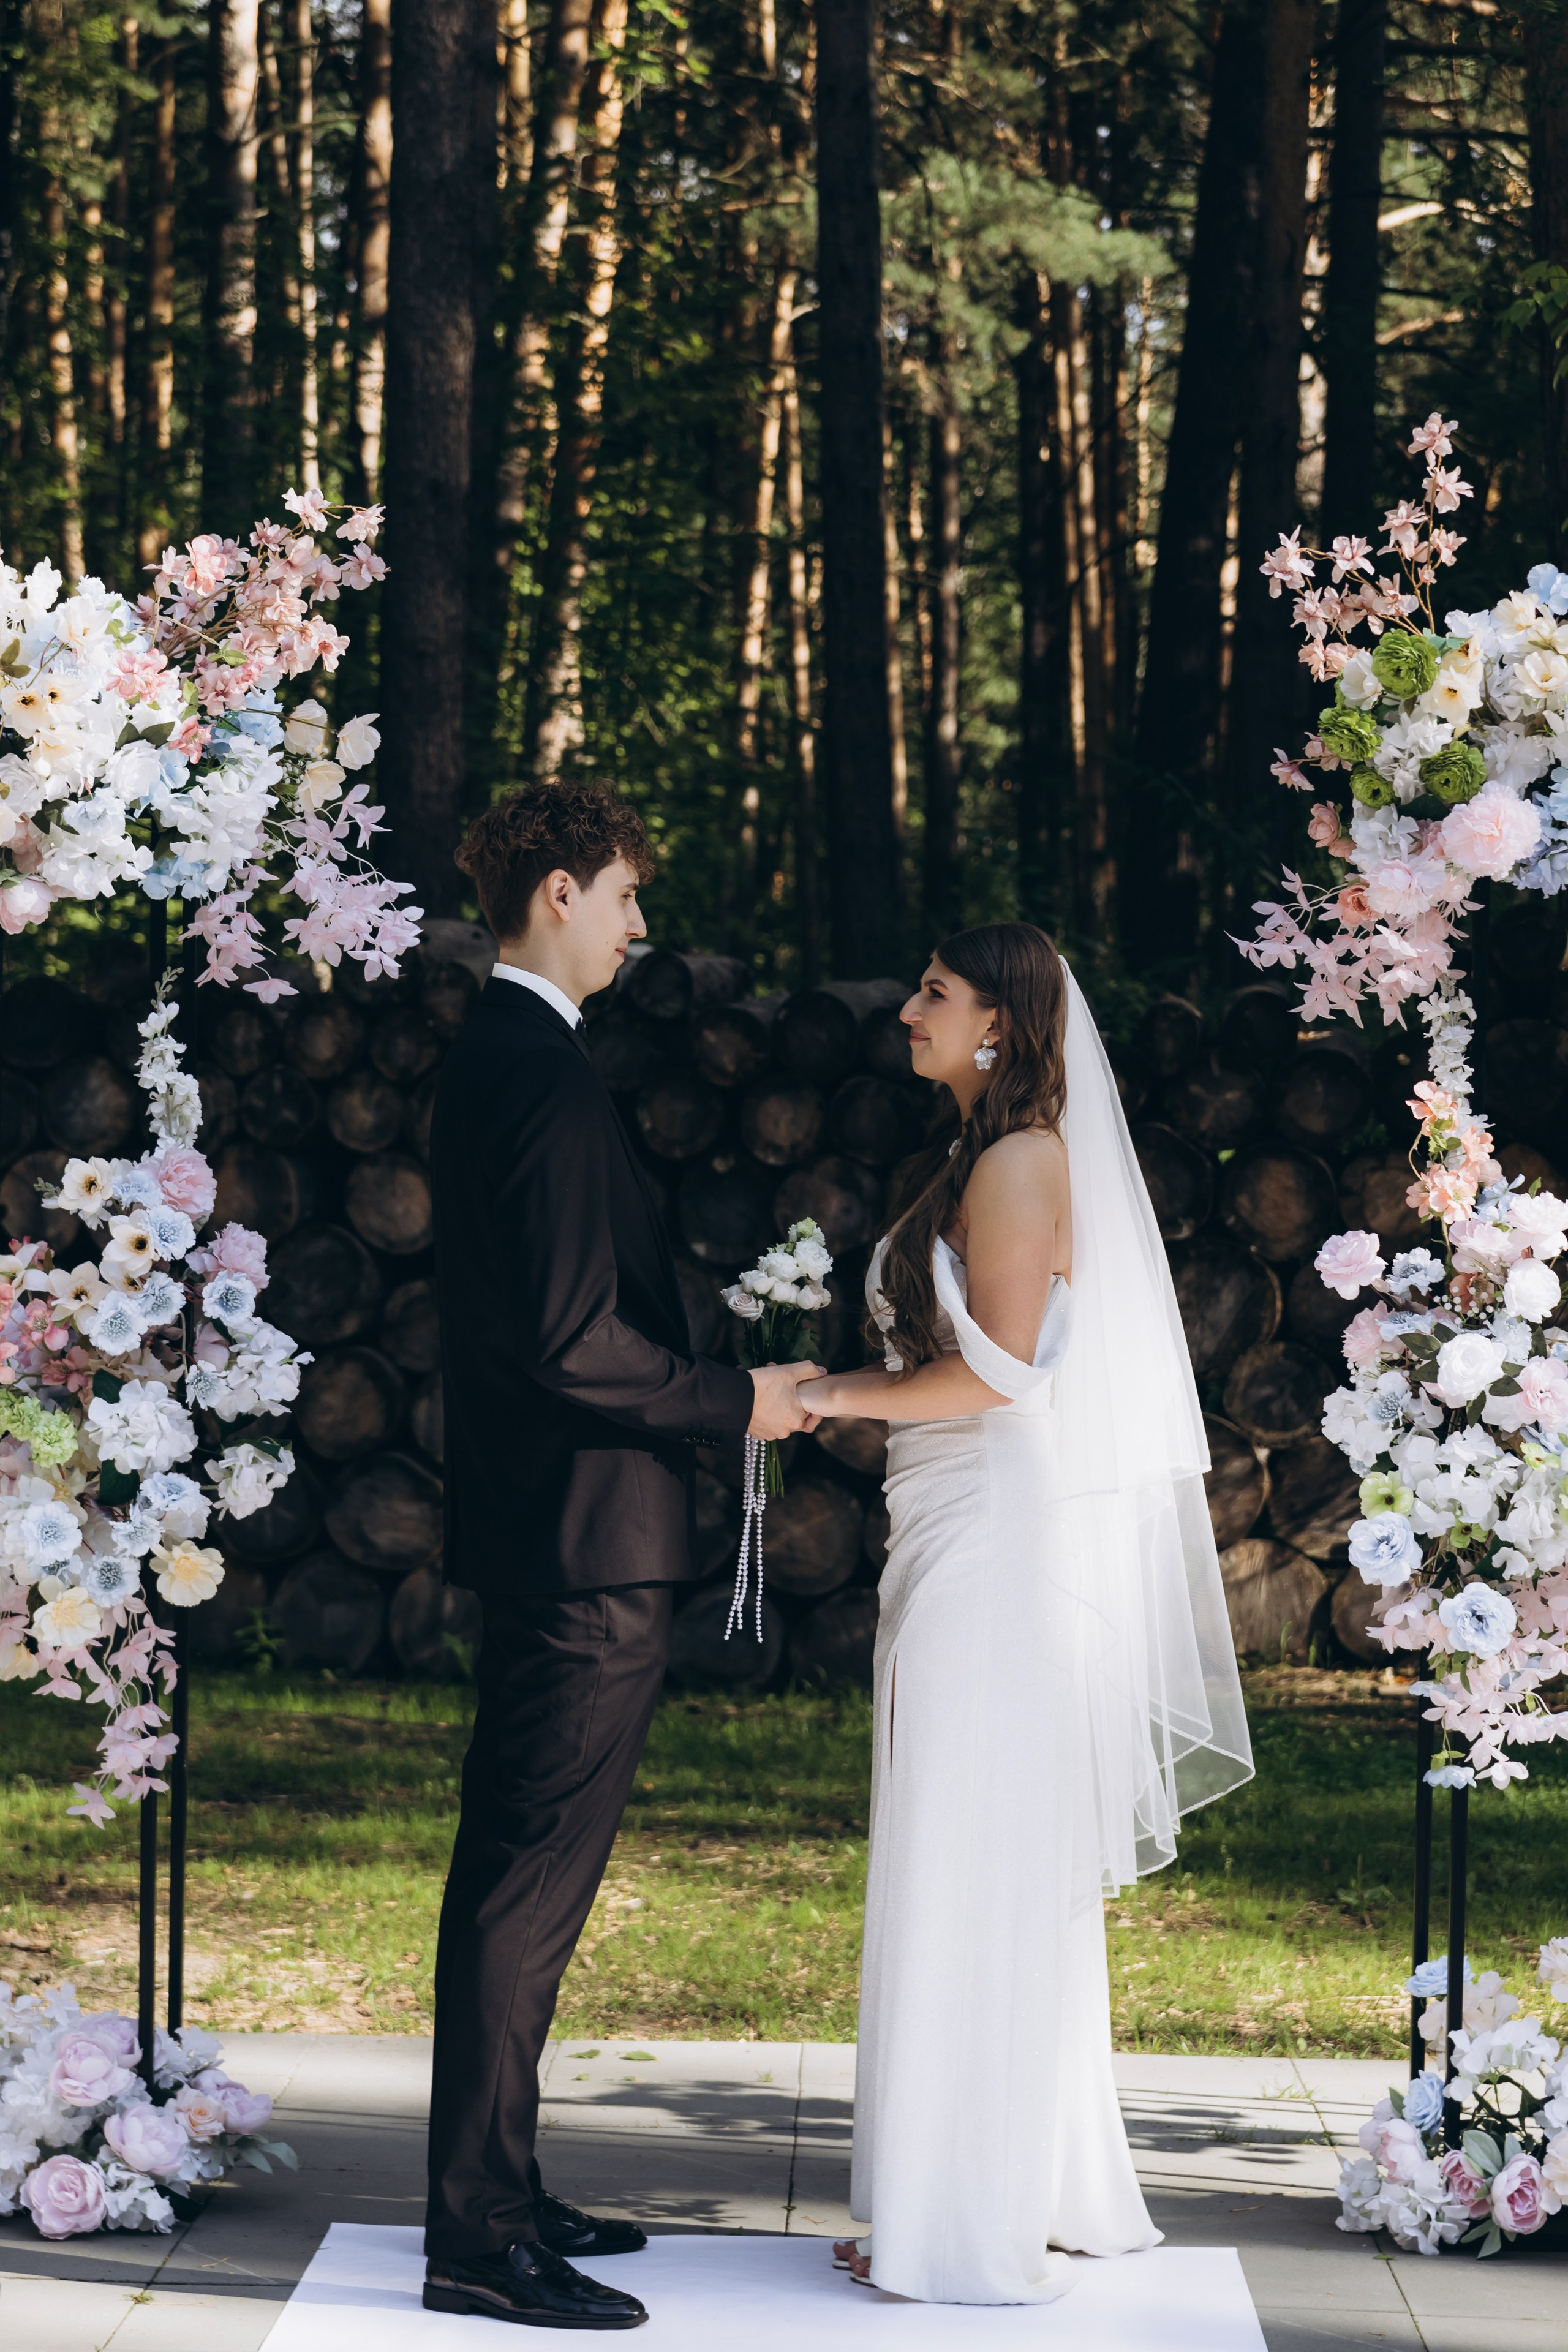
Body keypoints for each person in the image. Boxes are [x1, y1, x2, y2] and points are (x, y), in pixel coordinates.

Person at [422, 781, 823, 2331]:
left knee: (521, 1879)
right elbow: (568, 1342)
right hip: (585, 1546)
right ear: (556, 898)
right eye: (624, 897)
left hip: (566, 1535)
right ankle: (475, 2235)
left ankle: (501, 2190)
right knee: (525, 1886)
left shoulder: (515, 1063)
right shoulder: (537, 1077)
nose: (640, 927)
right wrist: (740, 1399)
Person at [804, 922, 1253, 2304]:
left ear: (1001, 1024)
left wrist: (824, 1394)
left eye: (932, 993)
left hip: (994, 1542)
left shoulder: (1015, 1160)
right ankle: (1007, 2182)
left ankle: (960, 2223)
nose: (904, 1009)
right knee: (972, 1858)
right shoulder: (974, 1157)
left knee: (969, 1861)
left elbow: (999, 1374)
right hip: (949, 1534)